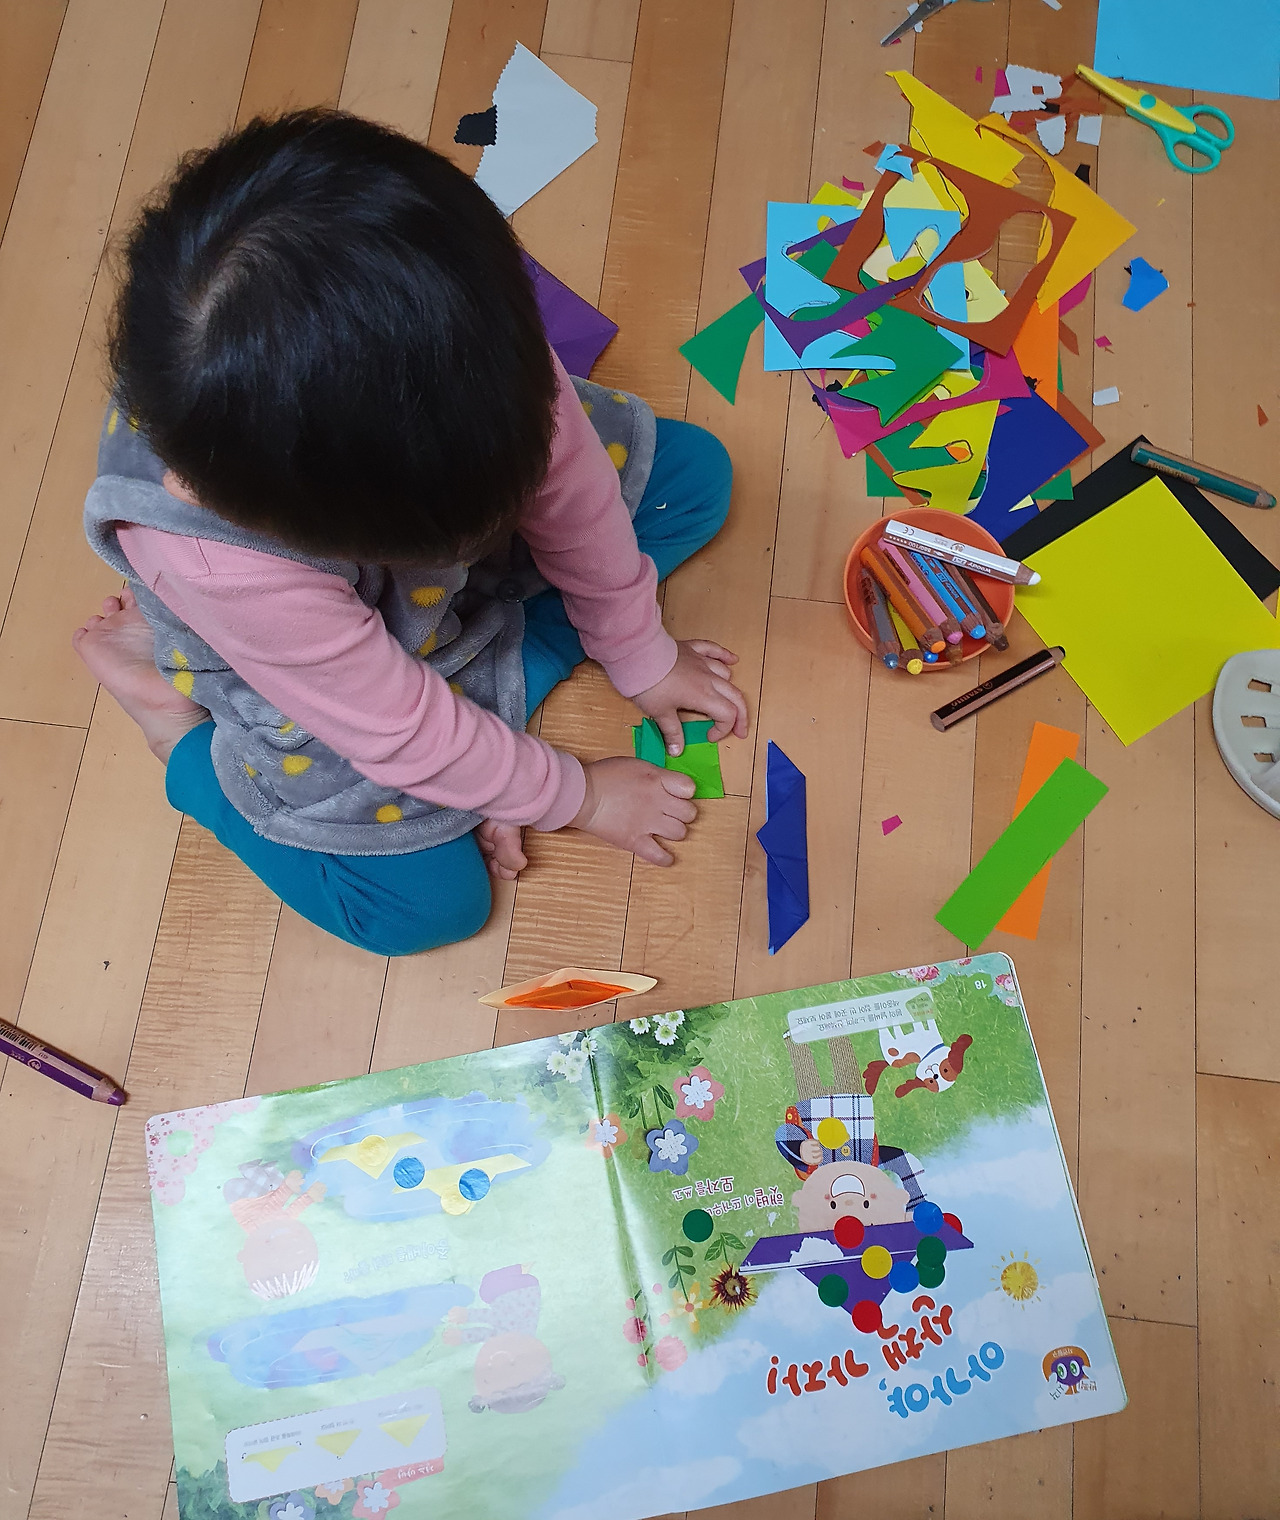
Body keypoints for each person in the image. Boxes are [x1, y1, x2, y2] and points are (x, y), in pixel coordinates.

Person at [72, 110, 746, 957]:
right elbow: (397, 731)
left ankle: (486, 725)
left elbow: (573, 484)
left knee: (693, 481)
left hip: (407, 546)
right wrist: (576, 796)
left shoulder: (463, 325)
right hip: (299, 661)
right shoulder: (222, 561)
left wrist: (637, 646)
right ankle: (176, 737)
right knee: (423, 911)